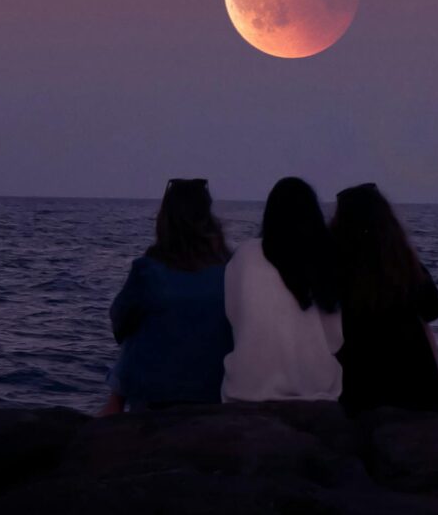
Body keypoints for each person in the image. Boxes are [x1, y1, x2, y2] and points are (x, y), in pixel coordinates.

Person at [104, 177, 233, 411]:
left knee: (138, 326)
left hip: (155, 397)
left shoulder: (148, 270)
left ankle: (113, 407)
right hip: (214, 391)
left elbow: (118, 324)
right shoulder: (230, 269)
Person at [330, 182, 438, 414]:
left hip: (358, 388)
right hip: (414, 388)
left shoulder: (333, 267)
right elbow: (433, 311)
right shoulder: (405, 267)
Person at [222, 176, 343, 402]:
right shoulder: (322, 259)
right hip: (314, 388)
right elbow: (336, 338)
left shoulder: (245, 255)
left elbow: (234, 317)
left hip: (247, 387)